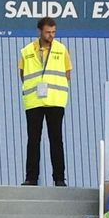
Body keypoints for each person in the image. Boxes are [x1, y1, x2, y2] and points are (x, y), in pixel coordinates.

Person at [19, 15, 72, 186]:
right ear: (39, 31)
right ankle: (31, 178)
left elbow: (67, 73)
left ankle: (59, 178)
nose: (51, 35)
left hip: (55, 100)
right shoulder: (26, 51)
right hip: (34, 101)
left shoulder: (61, 49)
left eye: (54, 32)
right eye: (48, 32)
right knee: (33, 140)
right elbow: (22, 74)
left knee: (56, 139)